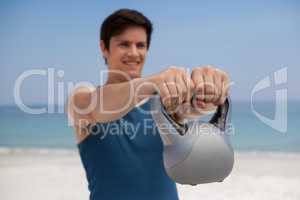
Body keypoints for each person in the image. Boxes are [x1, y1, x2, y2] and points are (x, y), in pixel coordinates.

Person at [68, 8, 230, 200]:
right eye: (124, 44)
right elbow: (96, 105)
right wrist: (155, 82)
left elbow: (194, 108)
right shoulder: (82, 98)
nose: (134, 53)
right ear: (104, 47)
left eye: (141, 45)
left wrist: (210, 94)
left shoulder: (163, 104)